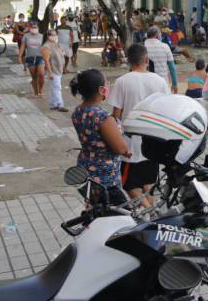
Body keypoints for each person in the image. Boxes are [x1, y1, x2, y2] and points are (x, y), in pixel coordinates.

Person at [108, 44, 169, 207]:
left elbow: (116, 115)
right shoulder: (160, 81)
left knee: (130, 185)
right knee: (148, 183)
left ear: (128, 61)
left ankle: (150, 213)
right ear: (146, 59)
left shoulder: (122, 82)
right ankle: (153, 215)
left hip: (131, 144)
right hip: (154, 142)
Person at [70, 69, 131, 202]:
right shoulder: (103, 117)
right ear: (101, 90)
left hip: (85, 167)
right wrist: (126, 150)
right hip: (104, 176)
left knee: (94, 208)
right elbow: (120, 148)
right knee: (113, 213)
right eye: (107, 84)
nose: (108, 87)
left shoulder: (77, 111)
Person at [144, 25, 178, 93]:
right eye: (160, 34)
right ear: (157, 35)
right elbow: (172, 67)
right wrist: (175, 84)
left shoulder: (142, 47)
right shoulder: (165, 47)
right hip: (163, 83)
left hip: (146, 84)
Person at [41, 29, 67, 112]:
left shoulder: (55, 44)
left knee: (53, 87)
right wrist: (50, 72)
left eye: (56, 34)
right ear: (48, 36)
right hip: (53, 70)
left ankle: (53, 104)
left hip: (59, 70)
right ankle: (60, 104)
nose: (55, 36)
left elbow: (61, 53)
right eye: (53, 35)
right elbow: (46, 61)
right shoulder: (46, 47)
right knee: (57, 87)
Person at [18, 20, 45, 97]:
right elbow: (23, 46)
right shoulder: (26, 36)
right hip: (30, 58)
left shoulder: (41, 36)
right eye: (32, 27)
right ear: (29, 28)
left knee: (41, 74)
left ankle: (41, 90)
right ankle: (36, 92)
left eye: (35, 27)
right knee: (34, 77)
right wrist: (19, 56)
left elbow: (45, 47)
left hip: (40, 57)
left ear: (38, 28)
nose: (34, 28)